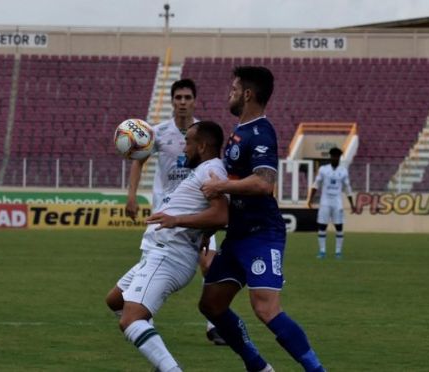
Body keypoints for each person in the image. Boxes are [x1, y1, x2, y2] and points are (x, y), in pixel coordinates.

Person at [199, 66, 325, 372]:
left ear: (247, 94)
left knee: (265, 308)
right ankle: (258, 366)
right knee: (211, 305)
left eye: (233, 88)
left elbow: (264, 182)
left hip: (261, 235)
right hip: (238, 235)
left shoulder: (261, 133)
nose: (229, 93)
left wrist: (220, 186)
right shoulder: (239, 132)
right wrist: (210, 223)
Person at [105, 121, 228, 372]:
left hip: (169, 254)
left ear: (202, 146)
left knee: (130, 320)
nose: (184, 149)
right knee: (115, 301)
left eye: (189, 143)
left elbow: (221, 215)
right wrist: (206, 230)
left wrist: (177, 220)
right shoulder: (204, 169)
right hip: (157, 251)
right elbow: (213, 215)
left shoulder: (211, 171)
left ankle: (169, 367)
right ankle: (156, 348)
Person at [125, 78, 226, 345]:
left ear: (194, 101)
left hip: (199, 209)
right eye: (178, 98)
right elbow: (138, 161)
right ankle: (143, 317)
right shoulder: (157, 133)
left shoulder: (203, 134)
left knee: (209, 263)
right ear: (172, 101)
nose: (182, 102)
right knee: (150, 264)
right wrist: (132, 194)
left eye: (187, 98)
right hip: (166, 214)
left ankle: (214, 324)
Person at [307, 147, 355, 259]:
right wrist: (310, 199)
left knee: (339, 227)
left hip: (337, 203)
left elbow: (347, 188)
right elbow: (316, 185)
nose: (335, 158)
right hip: (325, 202)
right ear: (330, 156)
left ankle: (338, 252)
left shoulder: (343, 171)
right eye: (333, 156)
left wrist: (352, 204)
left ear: (339, 157)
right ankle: (322, 251)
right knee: (322, 226)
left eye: (337, 156)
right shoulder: (323, 169)